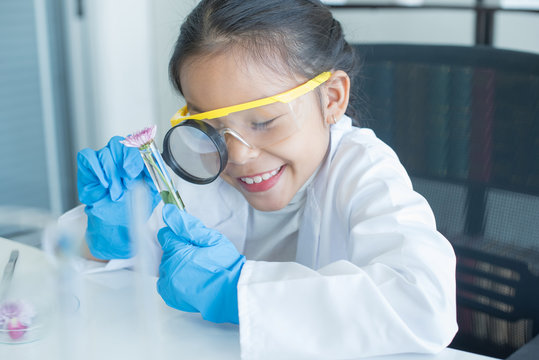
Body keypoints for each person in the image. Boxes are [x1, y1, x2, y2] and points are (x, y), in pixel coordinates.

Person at [70, 0, 458, 359]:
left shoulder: (363, 169)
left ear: (333, 98)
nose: (237, 156)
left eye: (264, 122)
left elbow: (424, 304)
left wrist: (239, 289)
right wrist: (109, 241)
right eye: (209, 126)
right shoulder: (199, 164)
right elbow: (84, 288)